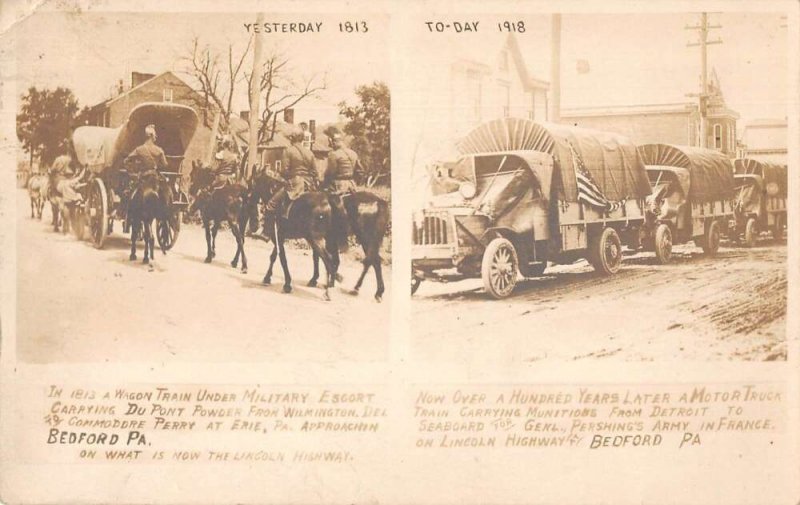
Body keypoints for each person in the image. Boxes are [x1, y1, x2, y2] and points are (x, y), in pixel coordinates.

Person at [263, 126, 319, 219]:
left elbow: (284, 171)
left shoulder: (288, 151)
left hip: (295, 185)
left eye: (290, 137)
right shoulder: (310, 153)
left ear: (292, 138)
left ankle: (268, 232)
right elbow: (315, 172)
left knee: (271, 204)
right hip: (309, 185)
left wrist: (279, 176)